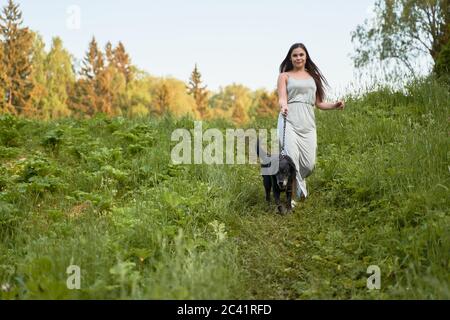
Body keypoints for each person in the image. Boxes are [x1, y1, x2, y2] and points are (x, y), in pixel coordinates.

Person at [277, 43, 345, 206]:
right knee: (291, 159)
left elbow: (319, 103)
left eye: (301, 54)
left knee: (309, 163)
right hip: (289, 119)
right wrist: (284, 106)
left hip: (307, 122)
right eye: (295, 55)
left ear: (306, 56)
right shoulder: (284, 76)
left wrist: (335, 105)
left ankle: (300, 182)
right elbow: (282, 97)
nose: (298, 58)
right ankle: (291, 198)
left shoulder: (313, 77)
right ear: (290, 58)